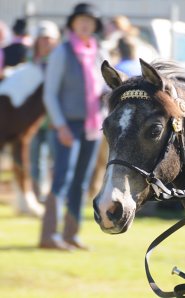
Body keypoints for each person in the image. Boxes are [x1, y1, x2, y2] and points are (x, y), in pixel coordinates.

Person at [39, 2, 108, 251]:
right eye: (81, 19)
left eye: (89, 20)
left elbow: (102, 87)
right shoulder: (62, 52)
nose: (85, 23)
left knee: (81, 182)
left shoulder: (99, 52)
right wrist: (60, 126)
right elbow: (49, 95)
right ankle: (48, 236)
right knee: (61, 180)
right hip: (67, 125)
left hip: (92, 127)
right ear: (72, 23)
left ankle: (71, 234)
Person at [29, 20, 60, 201]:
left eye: (49, 38)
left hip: (52, 120)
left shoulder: (58, 60)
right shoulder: (30, 60)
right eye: (43, 38)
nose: (46, 42)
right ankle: (36, 194)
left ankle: (53, 194)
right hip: (31, 121)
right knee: (35, 161)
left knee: (54, 161)